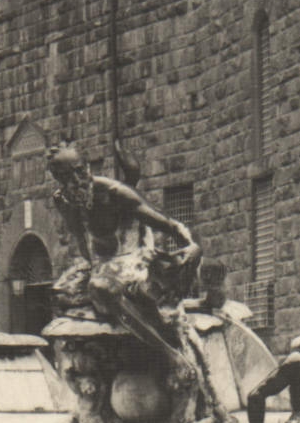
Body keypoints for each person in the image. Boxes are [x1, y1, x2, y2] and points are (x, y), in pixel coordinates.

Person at [45, 142, 201, 355]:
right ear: (58, 178)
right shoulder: (63, 201)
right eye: (65, 176)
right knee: (61, 295)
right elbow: (81, 238)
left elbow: (172, 225)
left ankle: (169, 354)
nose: (75, 180)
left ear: (88, 167)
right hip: (101, 265)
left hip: (133, 260)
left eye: (79, 171)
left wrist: (191, 246)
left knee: (101, 288)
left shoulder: (114, 191)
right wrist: (91, 266)